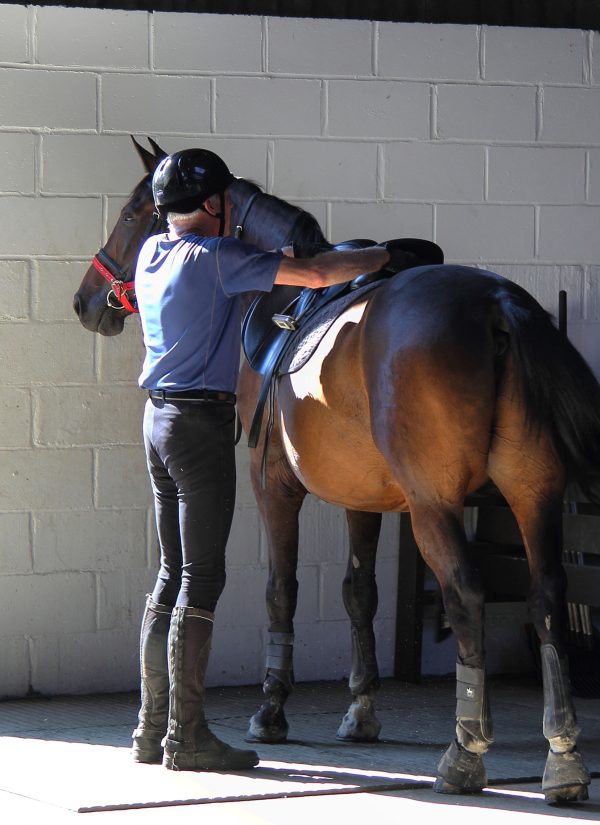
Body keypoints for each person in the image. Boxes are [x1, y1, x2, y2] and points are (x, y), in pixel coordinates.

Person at [131, 148, 388, 771]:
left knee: (170, 574)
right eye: (225, 199)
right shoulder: (218, 257)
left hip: (157, 423)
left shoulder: (152, 252)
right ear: (213, 204)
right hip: (199, 428)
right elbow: (318, 275)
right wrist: (383, 257)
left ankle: (150, 727)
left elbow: (264, 273)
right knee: (202, 579)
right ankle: (188, 737)